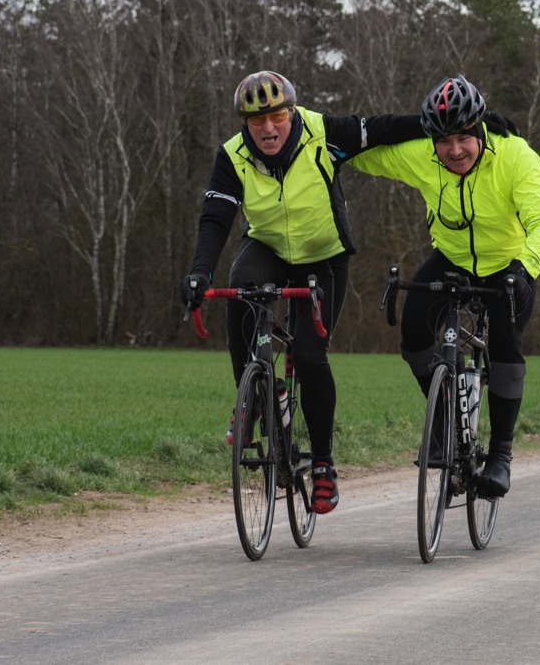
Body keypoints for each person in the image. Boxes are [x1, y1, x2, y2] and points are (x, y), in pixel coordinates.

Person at [180, 71, 425, 514]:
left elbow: (384, 128)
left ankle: (324, 464)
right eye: (257, 121)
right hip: (268, 247)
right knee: (239, 293)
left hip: (324, 258)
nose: (268, 128)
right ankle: (255, 395)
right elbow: (215, 219)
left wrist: (455, 125)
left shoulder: (322, 133)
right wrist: (199, 273)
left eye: (276, 116)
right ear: (244, 123)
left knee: (310, 356)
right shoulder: (233, 155)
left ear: (292, 112)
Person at [349, 74, 540, 497]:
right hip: (451, 259)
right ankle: (444, 420)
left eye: (464, 138)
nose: (455, 150)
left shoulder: (516, 157)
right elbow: (362, 154)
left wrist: (525, 269)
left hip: (508, 265)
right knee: (413, 331)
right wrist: (315, 137)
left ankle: (500, 455)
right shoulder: (421, 156)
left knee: (505, 344)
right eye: (444, 141)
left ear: (480, 129)